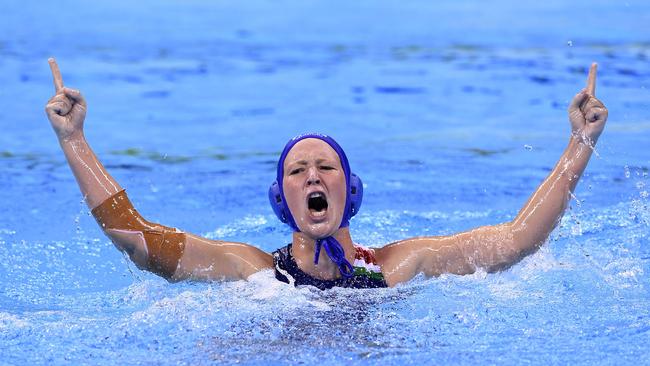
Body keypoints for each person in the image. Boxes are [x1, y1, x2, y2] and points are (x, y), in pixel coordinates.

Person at [45, 58, 608, 290]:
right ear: (282, 199)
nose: (313, 176)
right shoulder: (252, 273)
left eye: (325, 167)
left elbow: (515, 241)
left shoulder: (397, 267)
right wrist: (75, 141)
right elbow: (137, 240)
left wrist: (580, 143)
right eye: (298, 170)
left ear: (350, 189)